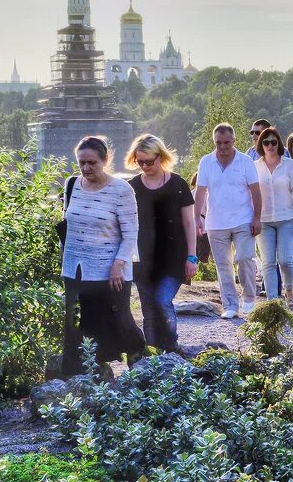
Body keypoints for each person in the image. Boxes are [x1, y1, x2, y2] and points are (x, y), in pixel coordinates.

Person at [60, 136, 145, 377]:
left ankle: (142, 365)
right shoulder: (72, 184)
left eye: (92, 163)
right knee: (77, 323)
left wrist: (119, 264)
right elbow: (69, 221)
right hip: (75, 267)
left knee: (120, 320)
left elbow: (131, 234)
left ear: (105, 160)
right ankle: (79, 375)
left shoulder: (121, 190)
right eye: (81, 162)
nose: (86, 168)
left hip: (112, 269)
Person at [125, 134, 196, 354]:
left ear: (160, 156)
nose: (145, 166)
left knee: (163, 300)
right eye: (140, 162)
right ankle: (152, 352)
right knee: (148, 308)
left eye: (149, 161)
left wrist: (192, 257)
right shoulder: (131, 187)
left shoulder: (178, 184)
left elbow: (189, 222)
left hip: (174, 257)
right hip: (143, 259)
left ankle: (171, 345)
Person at [195, 124, 263, 319]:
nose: (222, 146)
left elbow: (256, 192)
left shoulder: (245, 162)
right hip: (216, 222)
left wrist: (257, 217)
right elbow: (200, 193)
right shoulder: (206, 162)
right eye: (218, 143)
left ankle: (249, 298)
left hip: (243, 219)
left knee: (244, 258)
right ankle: (230, 305)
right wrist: (197, 219)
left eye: (226, 142)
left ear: (233, 141)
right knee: (223, 265)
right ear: (214, 142)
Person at [254, 127, 293, 299]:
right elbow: (249, 194)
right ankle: (272, 302)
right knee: (268, 262)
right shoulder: (254, 166)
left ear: (279, 144)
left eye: (273, 142)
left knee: (285, 260)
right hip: (263, 220)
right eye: (266, 142)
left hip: (286, 218)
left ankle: (288, 289)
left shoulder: (289, 165)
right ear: (261, 145)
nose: (270, 145)